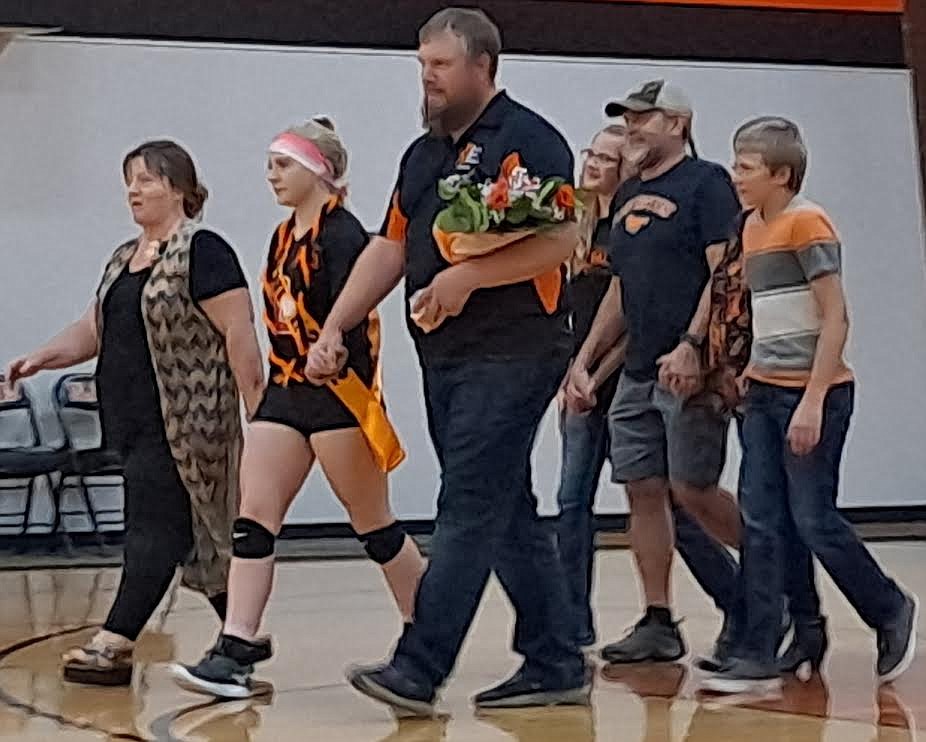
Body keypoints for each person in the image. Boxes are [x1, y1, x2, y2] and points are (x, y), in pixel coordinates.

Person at [305, 7, 588, 716]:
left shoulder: (529, 140)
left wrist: (470, 277)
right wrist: (337, 323)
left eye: (439, 65)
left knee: (465, 501)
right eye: (421, 65)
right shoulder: (422, 153)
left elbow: (560, 242)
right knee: (505, 508)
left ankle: (418, 666)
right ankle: (554, 660)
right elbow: (391, 247)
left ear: (482, 66)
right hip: (447, 356)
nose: (426, 79)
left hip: (518, 349)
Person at [169, 117, 427, 699]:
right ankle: (236, 645)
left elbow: (358, 322)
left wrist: (334, 354)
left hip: (339, 396)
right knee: (253, 518)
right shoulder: (284, 236)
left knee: (373, 524)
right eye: (269, 164)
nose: (271, 175)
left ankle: (428, 628)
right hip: (288, 393)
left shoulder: (345, 237)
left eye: (282, 164)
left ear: (319, 170)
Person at [4, 140, 264, 686]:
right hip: (132, 421)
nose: (134, 190)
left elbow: (239, 335)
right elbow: (96, 329)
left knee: (155, 529)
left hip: (188, 424)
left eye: (146, 179)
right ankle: (238, 645)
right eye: (130, 180)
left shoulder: (204, 250)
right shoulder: (124, 257)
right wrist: (40, 357)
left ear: (179, 188)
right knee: (197, 533)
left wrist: (260, 416)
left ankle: (115, 643)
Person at [701, 117, 918, 693]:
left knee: (813, 519)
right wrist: (749, 372)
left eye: (746, 168)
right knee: (764, 522)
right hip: (764, 393)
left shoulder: (808, 224)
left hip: (812, 394)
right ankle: (786, 637)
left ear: (782, 174)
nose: (735, 176)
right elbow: (769, 312)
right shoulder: (750, 228)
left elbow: (835, 316)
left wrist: (813, 401)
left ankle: (890, 607)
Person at [565, 79, 748, 665]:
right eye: (628, 119)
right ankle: (658, 618)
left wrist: (694, 344)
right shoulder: (627, 194)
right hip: (639, 367)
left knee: (692, 488)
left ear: (677, 123)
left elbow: (724, 273)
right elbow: (621, 284)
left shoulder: (707, 183)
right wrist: (586, 358)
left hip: (688, 368)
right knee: (642, 490)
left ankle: (775, 586)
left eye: (644, 118)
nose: (634, 128)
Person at [556, 120, 634, 650]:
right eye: (592, 153)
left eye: (607, 158)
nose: (594, 163)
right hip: (577, 384)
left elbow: (633, 315)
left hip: (620, 379)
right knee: (570, 501)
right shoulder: (575, 223)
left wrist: (595, 373)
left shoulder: (626, 227)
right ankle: (573, 623)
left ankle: (743, 596)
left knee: (664, 503)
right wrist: (569, 372)